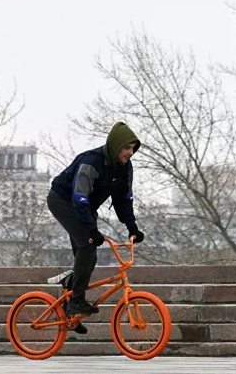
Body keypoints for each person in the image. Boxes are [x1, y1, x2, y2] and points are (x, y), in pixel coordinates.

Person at [47, 121, 146, 329]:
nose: (130, 153)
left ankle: (69, 305)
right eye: (127, 148)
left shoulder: (125, 168)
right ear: (116, 145)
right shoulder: (91, 162)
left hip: (85, 207)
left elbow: (124, 200)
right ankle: (75, 303)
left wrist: (132, 227)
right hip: (64, 201)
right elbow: (79, 197)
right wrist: (91, 230)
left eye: (133, 149)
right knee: (88, 244)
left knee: (88, 257)